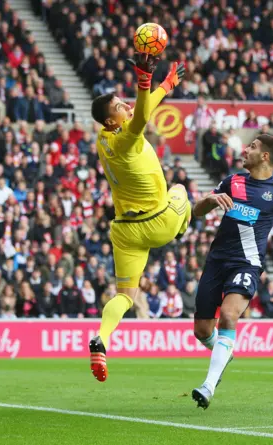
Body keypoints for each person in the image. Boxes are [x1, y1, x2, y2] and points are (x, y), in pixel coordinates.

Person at [87, 54, 188, 383]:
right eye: (119, 106)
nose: (126, 106)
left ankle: (101, 338)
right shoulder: (126, 139)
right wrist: (148, 82)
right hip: (158, 223)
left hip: (124, 233)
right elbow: (143, 113)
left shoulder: (104, 140)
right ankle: (184, 228)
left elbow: (142, 110)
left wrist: (165, 85)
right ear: (111, 121)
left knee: (124, 297)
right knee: (181, 189)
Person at [191, 134, 273, 409]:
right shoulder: (232, 182)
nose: (245, 149)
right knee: (202, 330)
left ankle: (208, 385)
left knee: (229, 316)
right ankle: (223, 350)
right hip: (217, 260)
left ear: (265, 156)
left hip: (248, 263)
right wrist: (212, 199)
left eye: (252, 146)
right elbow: (197, 212)